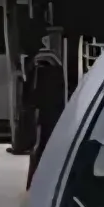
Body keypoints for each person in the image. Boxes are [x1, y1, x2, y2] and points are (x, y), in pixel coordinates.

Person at [24, 38, 67, 184]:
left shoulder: (37, 63)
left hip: (43, 110)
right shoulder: (56, 64)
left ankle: (34, 181)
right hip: (52, 110)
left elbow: (30, 94)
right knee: (46, 144)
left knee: (39, 146)